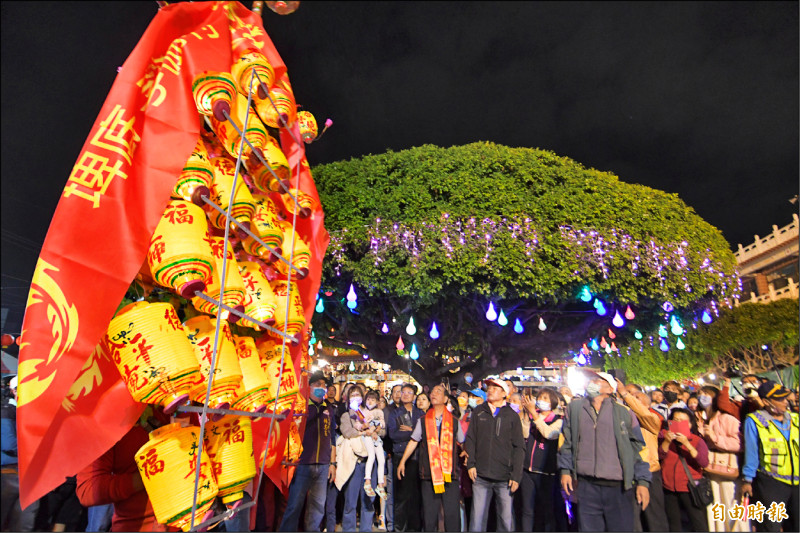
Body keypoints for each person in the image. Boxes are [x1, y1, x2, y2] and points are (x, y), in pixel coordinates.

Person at [558, 371, 651, 532]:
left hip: (618, 487)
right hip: (586, 485)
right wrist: (565, 470)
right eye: (591, 380)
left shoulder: (624, 412)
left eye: (597, 380)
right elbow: (567, 442)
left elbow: (639, 449)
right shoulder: (575, 408)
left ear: (610, 389)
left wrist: (643, 481)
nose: (591, 383)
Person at [76, 406, 172, 532]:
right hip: (137, 525)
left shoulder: (183, 401)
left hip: (193, 519)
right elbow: (88, 490)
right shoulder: (107, 419)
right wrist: (147, 475)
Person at [397, 384, 465, 532]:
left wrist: (466, 452)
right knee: (429, 516)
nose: (434, 393)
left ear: (446, 399)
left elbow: (462, 441)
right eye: (433, 391)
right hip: (429, 474)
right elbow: (414, 441)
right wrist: (402, 462)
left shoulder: (453, 420)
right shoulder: (423, 420)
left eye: (438, 391)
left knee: (452, 516)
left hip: (449, 475)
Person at [278, 372, 337, 532]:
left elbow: (332, 437)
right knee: (294, 506)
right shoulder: (301, 408)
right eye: (317, 385)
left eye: (324, 385)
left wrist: (332, 463)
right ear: (309, 387)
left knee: (317, 508)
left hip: (323, 465)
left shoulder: (329, 409)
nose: (321, 388)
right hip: (303, 464)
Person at [464, 378, 524, 532]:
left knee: (506, 520)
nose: (490, 390)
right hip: (481, 475)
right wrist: (471, 464)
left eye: (495, 388)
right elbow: (470, 439)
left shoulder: (512, 415)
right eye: (489, 387)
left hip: (505, 477)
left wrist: (516, 475)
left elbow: (518, 447)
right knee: (477, 520)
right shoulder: (478, 411)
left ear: (505, 393)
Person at [741, 381, 799, 533]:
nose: (785, 402)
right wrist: (748, 479)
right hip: (771, 483)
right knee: (770, 526)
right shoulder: (754, 421)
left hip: (797, 482)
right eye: (780, 399)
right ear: (766, 401)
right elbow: (751, 452)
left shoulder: (795, 419)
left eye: (785, 398)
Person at [617, 381, 670, 532]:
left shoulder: (652, 419)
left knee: (654, 516)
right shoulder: (624, 420)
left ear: (647, 405)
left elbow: (642, 413)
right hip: (629, 473)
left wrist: (625, 394)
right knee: (632, 518)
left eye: (636, 398)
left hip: (650, 472)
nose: (631, 400)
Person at [696, 386, 748, 532]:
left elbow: (740, 444)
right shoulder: (699, 418)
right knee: (714, 507)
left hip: (727, 471)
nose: (702, 397)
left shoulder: (726, 418)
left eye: (707, 394)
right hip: (709, 472)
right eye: (700, 394)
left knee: (730, 504)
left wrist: (715, 438)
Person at [338, 385, 385, 532]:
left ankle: (366, 529)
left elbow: (383, 431)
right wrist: (364, 432)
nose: (356, 398)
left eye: (358, 395)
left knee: (368, 502)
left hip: (370, 462)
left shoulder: (370, 412)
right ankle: (349, 529)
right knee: (350, 501)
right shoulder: (346, 416)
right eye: (352, 395)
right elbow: (347, 432)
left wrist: (375, 429)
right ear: (347, 398)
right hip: (355, 461)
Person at [518, 387, 563, 532]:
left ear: (553, 403)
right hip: (527, 470)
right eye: (540, 398)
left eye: (545, 398)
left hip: (545, 472)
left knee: (546, 509)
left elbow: (549, 434)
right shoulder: (532, 416)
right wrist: (526, 415)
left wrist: (534, 415)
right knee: (527, 509)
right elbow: (524, 435)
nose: (541, 401)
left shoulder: (557, 421)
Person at [659, 408, 710, 532]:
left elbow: (704, 462)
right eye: (675, 420)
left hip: (689, 487)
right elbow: (660, 456)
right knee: (673, 522)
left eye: (683, 421)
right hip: (669, 486)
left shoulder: (697, 440)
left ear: (690, 424)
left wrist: (687, 444)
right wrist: (666, 441)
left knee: (698, 521)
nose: (678, 423)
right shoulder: (664, 436)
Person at [1, 375, 40, 532]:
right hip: (9, 473)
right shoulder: (6, 412)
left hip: (27, 475)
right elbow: (9, 444)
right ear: (13, 391)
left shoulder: (29, 413)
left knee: (24, 524)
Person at [388, 383, 424, 531]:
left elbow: (423, 434)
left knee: (416, 495)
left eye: (409, 392)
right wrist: (413, 432)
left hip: (417, 458)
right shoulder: (395, 413)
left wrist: (413, 431)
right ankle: (399, 528)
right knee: (401, 495)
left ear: (414, 396)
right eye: (403, 392)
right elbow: (394, 435)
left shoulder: (420, 413)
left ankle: (415, 528)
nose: (405, 394)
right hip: (400, 455)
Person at [359, 390, 388, 499]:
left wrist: (375, 430)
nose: (370, 401)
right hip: (367, 436)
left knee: (381, 459)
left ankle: (380, 484)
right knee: (371, 456)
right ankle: (367, 481)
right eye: (368, 399)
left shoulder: (379, 412)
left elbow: (382, 424)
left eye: (373, 400)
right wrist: (367, 428)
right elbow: (360, 424)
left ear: (377, 402)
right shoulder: (362, 411)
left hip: (376, 437)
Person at [382, 383, 403, 532]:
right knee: (391, 491)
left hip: (405, 455)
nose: (398, 394)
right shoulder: (387, 411)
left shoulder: (408, 410)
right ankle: (391, 523)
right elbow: (390, 433)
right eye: (395, 392)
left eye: (400, 392)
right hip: (390, 454)